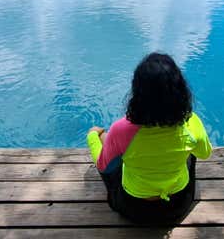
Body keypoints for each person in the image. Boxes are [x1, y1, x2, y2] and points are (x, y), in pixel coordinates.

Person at [87, 52, 212, 225]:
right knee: (192, 153)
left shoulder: (121, 130)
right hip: (178, 204)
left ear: (137, 92)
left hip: (132, 208)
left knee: (112, 151)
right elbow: (205, 154)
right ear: (180, 90)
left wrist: (93, 136)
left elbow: (103, 165)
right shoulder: (191, 124)